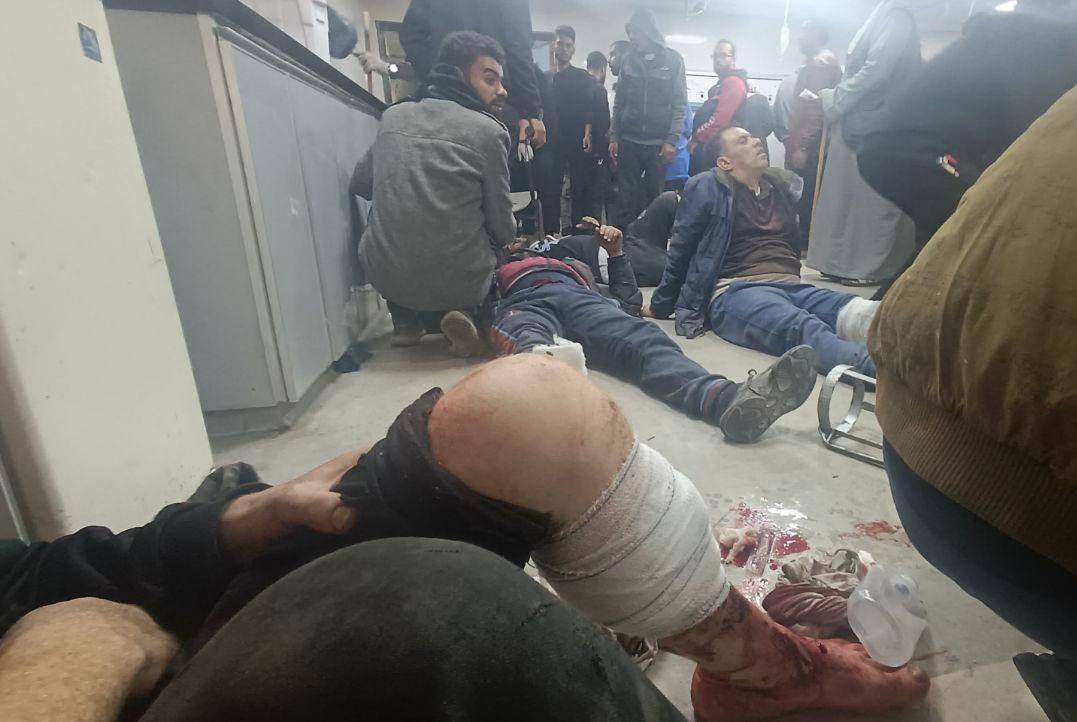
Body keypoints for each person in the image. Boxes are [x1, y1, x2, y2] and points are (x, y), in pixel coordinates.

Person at [1, 355, 931, 721]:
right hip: (74, 680)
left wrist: (216, 531)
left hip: (109, 639)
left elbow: (34, 574)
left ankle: (768, 672)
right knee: (443, 612)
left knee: (526, 412)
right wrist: (63, 664)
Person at [870, 85, 1077, 710]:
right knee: (767, 309)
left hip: (914, 425)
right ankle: (713, 389)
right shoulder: (704, 194)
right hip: (1039, 513)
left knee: (815, 311)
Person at [489, 222, 818, 443]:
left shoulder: (569, 255)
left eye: (520, 241)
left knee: (644, 337)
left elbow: (630, 301)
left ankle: (725, 399)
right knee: (527, 334)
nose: (518, 244)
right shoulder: (489, 266)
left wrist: (616, 253)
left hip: (582, 298)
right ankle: (548, 373)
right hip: (521, 300)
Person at [644, 127, 880, 377]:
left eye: (753, 137)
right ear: (724, 162)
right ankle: (891, 372)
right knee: (804, 328)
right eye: (743, 141)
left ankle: (906, 356)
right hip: (737, 291)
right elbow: (681, 250)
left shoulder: (779, 188)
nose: (757, 141)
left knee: (866, 313)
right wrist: (661, 305)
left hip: (793, 287)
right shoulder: (707, 186)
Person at [857, 2, 1077, 246]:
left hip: (901, 145)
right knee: (987, 220)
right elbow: (1025, 136)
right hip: (918, 150)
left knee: (948, 240)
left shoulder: (1009, 40)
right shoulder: (1041, 49)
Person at [351, 32, 512, 355]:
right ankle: (466, 313)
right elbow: (502, 227)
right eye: (490, 79)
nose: (502, 90)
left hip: (386, 275)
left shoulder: (393, 116)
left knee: (386, 208)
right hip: (461, 281)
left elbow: (361, 184)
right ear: (457, 74)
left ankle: (405, 320)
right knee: (493, 241)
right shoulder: (490, 132)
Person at [806, 0, 921, 286]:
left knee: (869, 198)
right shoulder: (880, 16)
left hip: (878, 123)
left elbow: (877, 70)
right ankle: (840, 264)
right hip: (859, 118)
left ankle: (868, 267)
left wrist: (836, 98)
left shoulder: (896, 16)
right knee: (845, 196)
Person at [400, 0, 547, 154]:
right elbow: (518, 49)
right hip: (495, 105)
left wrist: (441, 75)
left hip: (442, 100)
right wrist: (530, 111)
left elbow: (411, 36)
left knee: (437, 161)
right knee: (495, 164)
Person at [609, 10, 688, 230]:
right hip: (629, 141)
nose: (632, 37)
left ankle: (653, 245)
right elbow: (619, 103)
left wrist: (671, 141)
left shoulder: (673, 61)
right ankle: (622, 244)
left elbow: (680, 104)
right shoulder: (628, 61)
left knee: (656, 200)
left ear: (648, 31)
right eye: (630, 33)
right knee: (625, 200)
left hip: (658, 144)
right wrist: (614, 137)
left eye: (635, 32)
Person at [784, 20, 842, 251]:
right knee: (801, 196)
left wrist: (803, 146)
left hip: (812, 149)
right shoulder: (813, 64)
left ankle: (805, 244)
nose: (799, 37)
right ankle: (803, 241)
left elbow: (816, 108)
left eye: (804, 32)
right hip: (806, 144)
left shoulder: (821, 64)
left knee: (806, 197)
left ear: (817, 35)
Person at [549, 25, 599, 230]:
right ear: (554, 46)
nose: (563, 49)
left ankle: (579, 232)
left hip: (576, 138)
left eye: (568, 45)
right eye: (560, 44)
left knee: (579, 187)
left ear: (573, 50)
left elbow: (589, 108)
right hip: (552, 140)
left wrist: (587, 134)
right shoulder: (546, 78)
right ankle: (552, 231)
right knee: (552, 187)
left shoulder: (581, 77)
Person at [689, 40, 747, 176]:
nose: (718, 60)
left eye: (723, 55)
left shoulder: (733, 82)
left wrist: (697, 138)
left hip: (718, 151)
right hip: (712, 149)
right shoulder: (721, 84)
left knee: (706, 187)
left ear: (733, 59)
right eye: (715, 56)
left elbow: (720, 120)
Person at [585, 51, 613, 222]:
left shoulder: (579, 87)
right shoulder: (599, 89)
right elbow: (603, 125)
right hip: (598, 152)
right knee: (598, 196)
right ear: (603, 68)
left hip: (578, 152)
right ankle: (596, 231)